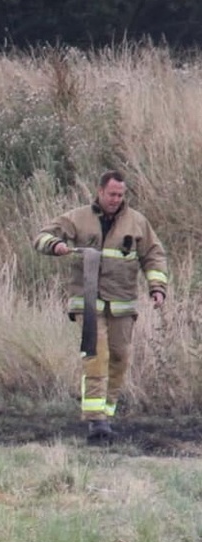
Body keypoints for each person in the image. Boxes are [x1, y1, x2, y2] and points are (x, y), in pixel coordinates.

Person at [34, 170, 168, 443]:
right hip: (88, 301)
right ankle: (95, 421)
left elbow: (154, 256)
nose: (116, 199)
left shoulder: (137, 222)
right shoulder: (78, 217)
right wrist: (57, 245)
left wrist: (157, 287)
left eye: (120, 195)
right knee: (96, 356)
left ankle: (106, 413)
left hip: (123, 305)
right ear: (100, 191)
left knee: (119, 358)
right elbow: (41, 237)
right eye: (111, 194)